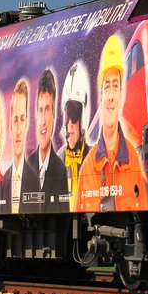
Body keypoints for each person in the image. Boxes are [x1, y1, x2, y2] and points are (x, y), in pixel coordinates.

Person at [76, 34, 148, 212]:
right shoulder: (88, 166)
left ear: (121, 94)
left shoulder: (133, 160)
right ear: (100, 95)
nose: (110, 96)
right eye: (106, 86)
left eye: (115, 86)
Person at [21, 69, 68, 212]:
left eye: (47, 109)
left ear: (54, 115)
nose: (43, 121)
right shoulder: (27, 166)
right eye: (40, 110)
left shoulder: (60, 169)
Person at [60, 61, 90, 210]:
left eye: (75, 117)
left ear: (83, 119)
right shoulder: (58, 160)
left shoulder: (93, 157)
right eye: (68, 117)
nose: (70, 124)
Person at [1, 78, 30, 213]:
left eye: (22, 120)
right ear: (10, 125)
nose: (18, 131)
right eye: (15, 120)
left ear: (27, 123)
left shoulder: (36, 180)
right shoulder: (2, 182)